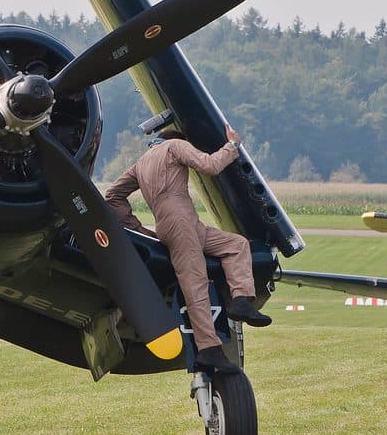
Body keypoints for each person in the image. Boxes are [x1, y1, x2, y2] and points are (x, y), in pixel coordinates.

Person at [104, 125, 271, 373]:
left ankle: (241, 300)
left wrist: (138, 229)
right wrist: (232, 146)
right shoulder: (176, 146)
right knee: (195, 283)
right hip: (182, 221)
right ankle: (208, 349)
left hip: (181, 223)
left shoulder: (141, 163)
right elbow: (210, 165)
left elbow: (113, 196)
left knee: (236, 245)